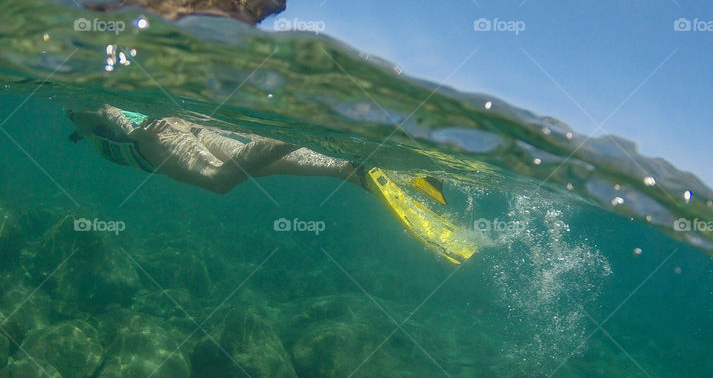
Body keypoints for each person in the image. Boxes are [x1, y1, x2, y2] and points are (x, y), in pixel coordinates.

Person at [66, 104, 477, 263]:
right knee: (257, 165)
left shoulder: (78, 114)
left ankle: (310, 130)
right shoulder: (84, 122)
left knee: (218, 181)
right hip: (175, 126)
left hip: (152, 139)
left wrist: (134, 128)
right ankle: (350, 168)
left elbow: (96, 109)